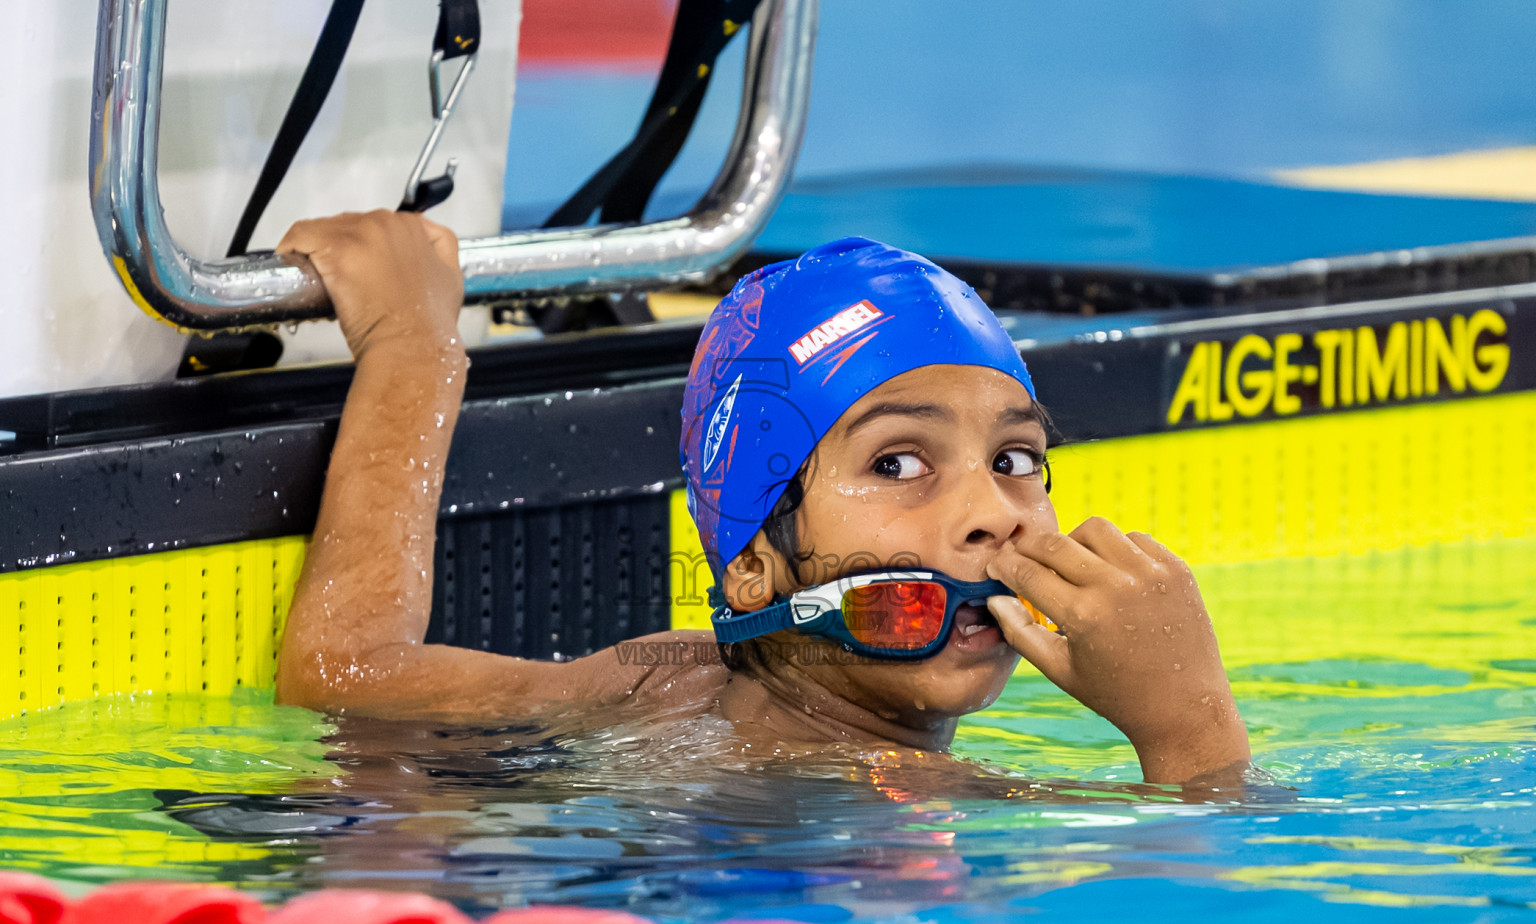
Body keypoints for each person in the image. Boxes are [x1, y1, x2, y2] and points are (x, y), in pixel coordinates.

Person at [274, 211, 1250, 787]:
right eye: (899, 464)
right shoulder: (927, 803)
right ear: (750, 562)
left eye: (1015, 458)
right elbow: (1216, 911)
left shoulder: (647, 685)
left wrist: (412, 345)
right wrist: (1189, 727)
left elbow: (343, 673)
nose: (993, 510)